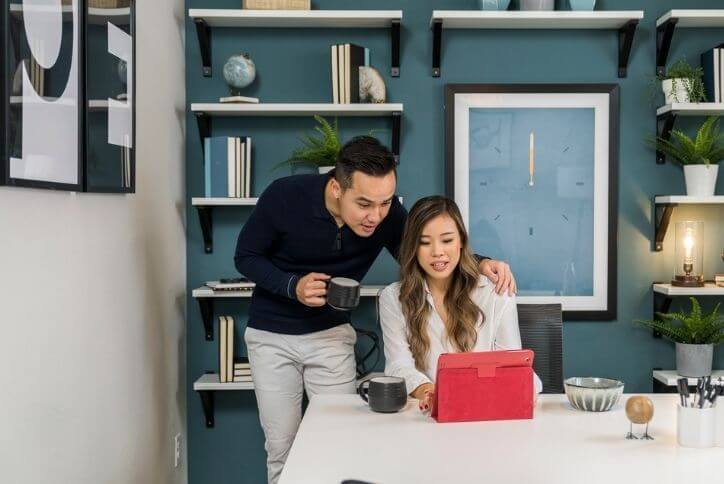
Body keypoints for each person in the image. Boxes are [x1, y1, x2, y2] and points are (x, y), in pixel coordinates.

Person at [234, 137, 517, 484]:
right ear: (337, 187)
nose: (376, 217)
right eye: (365, 204)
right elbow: (245, 257)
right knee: (282, 447)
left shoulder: (385, 216)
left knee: (339, 441)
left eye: (385, 203)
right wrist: (293, 285)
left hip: (330, 334)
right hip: (271, 334)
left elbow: (426, 251)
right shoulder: (284, 197)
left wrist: (483, 263)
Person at [379, 196, 541, 413]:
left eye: (447, 240)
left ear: (461, 242)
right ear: (413, 247)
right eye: (425, 242)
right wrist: (429, 391)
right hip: (429, 417)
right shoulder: (392, 298)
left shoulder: (496, 293)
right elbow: (399, 365)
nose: (437, 252)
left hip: (489, 410)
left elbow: (514, 367)